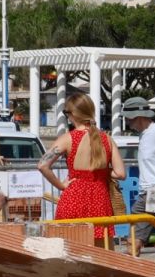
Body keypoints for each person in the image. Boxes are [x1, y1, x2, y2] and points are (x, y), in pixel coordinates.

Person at [39, 92, 126, 245]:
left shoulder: (68, 139)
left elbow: (42, 165)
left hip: (74, 198)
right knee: (101, 253)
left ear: (72, 114)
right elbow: (120, 173)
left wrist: (61, 185)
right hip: (100, 199)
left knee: (69, 250)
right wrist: (101, 170)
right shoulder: (107, 139)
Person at [122, 98, 155, 258]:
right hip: (150, 193)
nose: (127, 121)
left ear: (138, 116)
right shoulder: (145, 135)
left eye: (128, 118)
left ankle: (133, 273)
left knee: (140, 238)